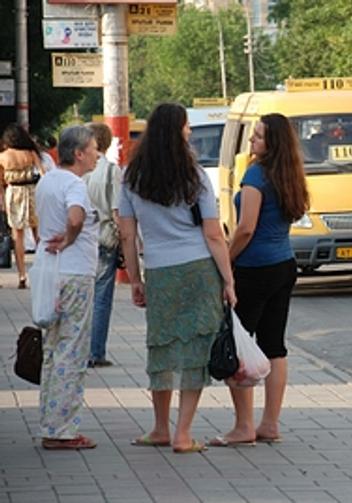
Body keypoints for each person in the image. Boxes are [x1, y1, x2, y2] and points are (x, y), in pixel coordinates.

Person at [118, 103, 236, 453]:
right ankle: (183, 433)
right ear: (178, 130)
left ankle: (159, 428)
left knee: (163, 345)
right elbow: (214, 234)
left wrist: (135, 280)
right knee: (195, 348)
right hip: (199, 269)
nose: (189, 132)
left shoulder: (131, 177)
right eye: (186, 126)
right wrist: (228, 280)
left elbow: (127, 234)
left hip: (159, 270)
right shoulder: (195, 175)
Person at [211, 113, 309, 447]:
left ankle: (243, 426)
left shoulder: (255, 175)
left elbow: (247, 227)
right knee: (274, 346)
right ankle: (270, 424)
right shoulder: (289, 175)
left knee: (238, 343)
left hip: (254, 268)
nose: (251, 141)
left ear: (273, 143)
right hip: (284, 264)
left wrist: (228, 257)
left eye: (258, 136)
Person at [35, 125, 100, 450]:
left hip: (52, 274)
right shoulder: (75, 184)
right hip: (76, 273)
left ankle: (49, 420)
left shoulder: (47, 180)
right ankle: (63, 429)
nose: (97, 154)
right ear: (78, 153)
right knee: (72, 351)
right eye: (93, 149)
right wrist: (71, 237)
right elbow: (75, 218)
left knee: (54, 348)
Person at [83, 123, 121, 368]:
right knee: (102, 297)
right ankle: (96, 351)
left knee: (83, 296)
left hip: (81, 237)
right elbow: (118, 211)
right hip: (105, 236)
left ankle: (80, 349)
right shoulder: (111, 171)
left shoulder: (79, 171)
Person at [0, 124, 44, 288]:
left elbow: (1, 182)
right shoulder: (31, 153)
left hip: (13, 193)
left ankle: (22, 275)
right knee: (37, 232)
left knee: (17, 235)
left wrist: (3, 201)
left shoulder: (3, 157)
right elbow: (43, 173)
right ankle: (43, 268)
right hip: (31, 192)